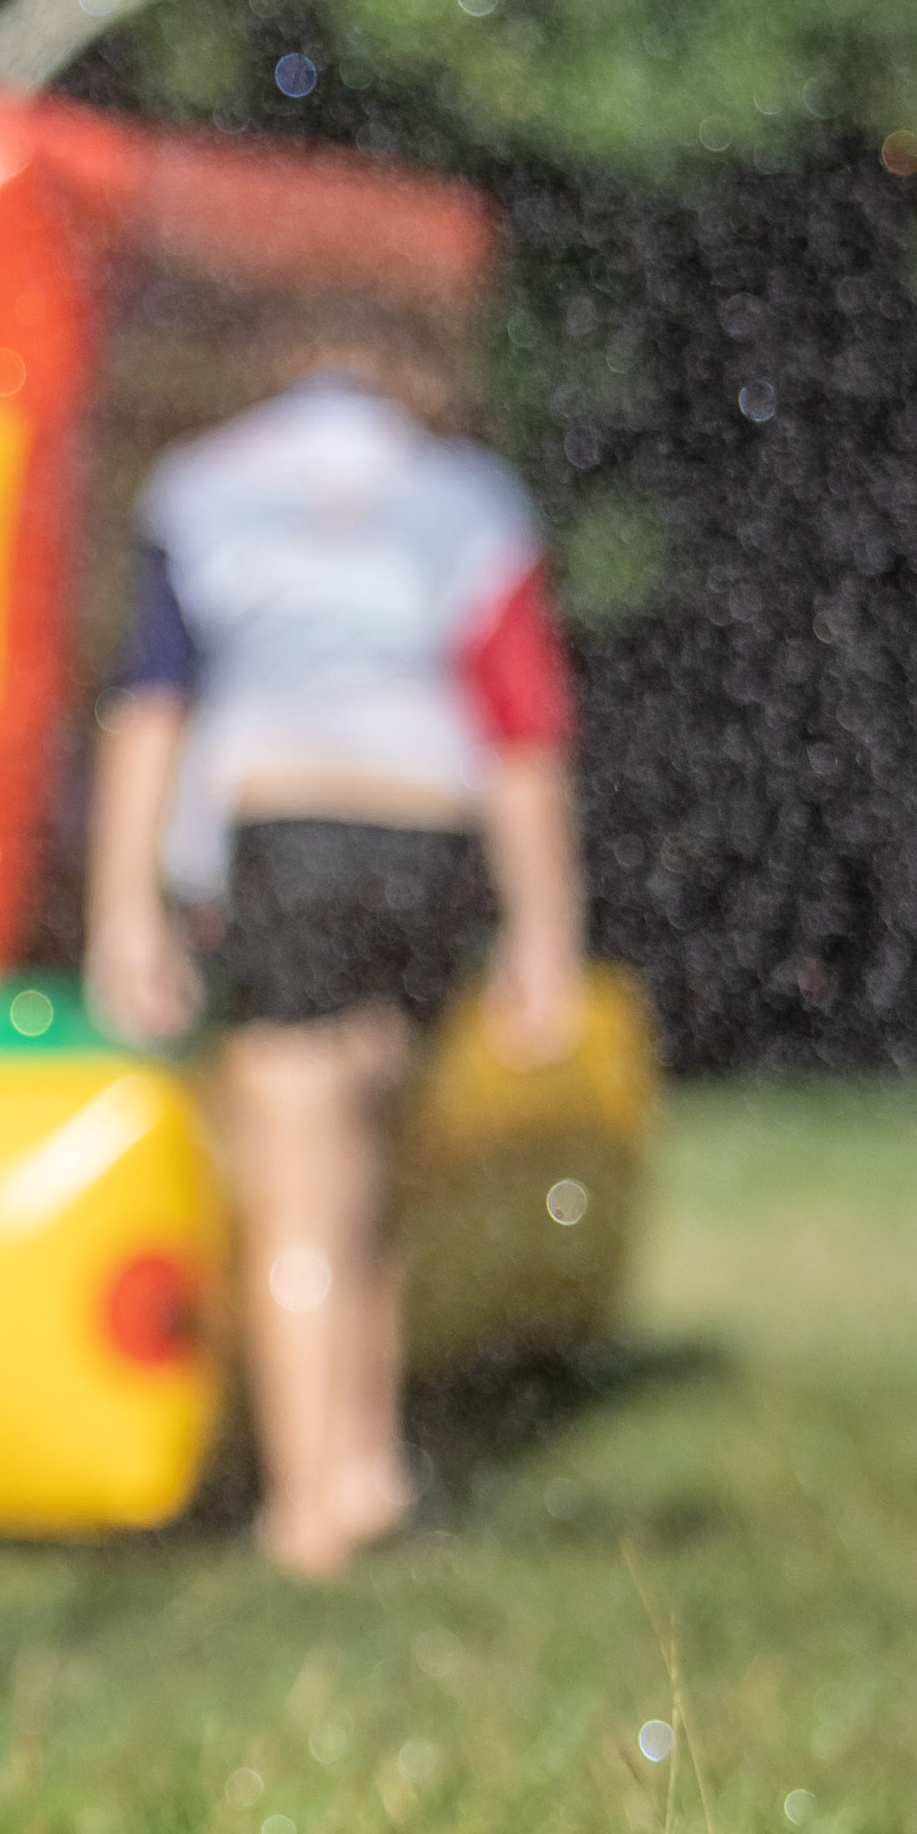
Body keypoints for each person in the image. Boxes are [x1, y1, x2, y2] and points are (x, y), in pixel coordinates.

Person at [82, 298, 586, 1579]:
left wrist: (124, 908)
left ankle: (307, 1504)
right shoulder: (466, 496)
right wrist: (546, 933)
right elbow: (523, 729)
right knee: (373, 1153)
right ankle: (367, 1462)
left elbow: (152, 708)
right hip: (431, 838)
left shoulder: (204, 487)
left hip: (284, 825)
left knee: (296, 1176)